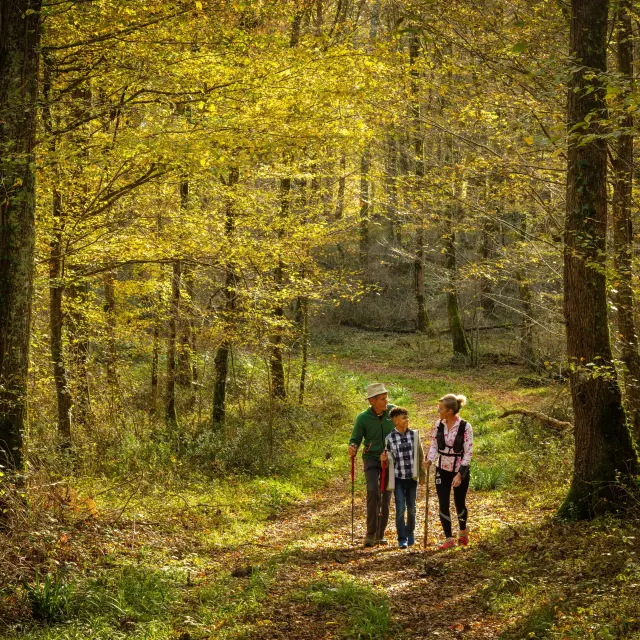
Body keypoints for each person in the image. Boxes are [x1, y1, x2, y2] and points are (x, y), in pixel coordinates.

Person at [348, 382, 395, 547]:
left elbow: (404, 427)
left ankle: (380, 534)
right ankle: (370, 533)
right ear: (372, 401)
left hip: (390, 458)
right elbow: (355, 439)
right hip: (371, 458)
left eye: (386, 397)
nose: (386, 401)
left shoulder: (393, 412)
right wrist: (352, 447)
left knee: (386, 495)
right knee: (373, 491)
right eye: (382, 399)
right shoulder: (363, 418)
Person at [425, 393, 473, 550]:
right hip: (442, 468)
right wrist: (430, 460)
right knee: (443, 502)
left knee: (459, 503)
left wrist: (460, 474)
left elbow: (468, 452)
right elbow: (433, 445)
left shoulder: (465, 426)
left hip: (459, 468)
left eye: (441, 409)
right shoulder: (438, 424)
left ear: (450, 411)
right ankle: (449, 539)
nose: (438, 411)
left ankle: (463, 531)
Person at [381, 407, 426, 549]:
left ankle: (410, 533)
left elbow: (420, 455)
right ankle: (402, 538)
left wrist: (422, 474)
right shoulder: (389, 438)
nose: (407, 420)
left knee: (412, 508)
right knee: (400, 508)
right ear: (395, 420)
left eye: (407, 418)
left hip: (412, 479)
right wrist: (384, 459)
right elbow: (388, 460)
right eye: (403, 418)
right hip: (398, 479)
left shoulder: (414, 435)